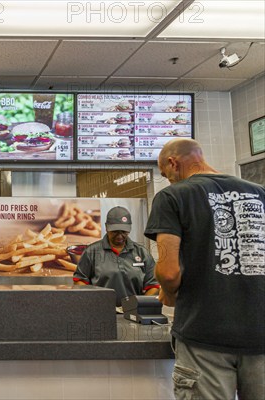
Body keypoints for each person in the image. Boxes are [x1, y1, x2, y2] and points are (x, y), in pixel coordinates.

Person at [144, 138, 264, 400]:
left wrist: (168, 294)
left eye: (166, 174)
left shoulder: (173, 196)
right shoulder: (259, 192)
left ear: (173, 163)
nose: (168, 180)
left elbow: (168, 272)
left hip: (204, 334)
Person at [73, 206, 160, 306]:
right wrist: (93, 302)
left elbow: (153, 285)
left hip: (134, 313)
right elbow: (80, 280)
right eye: (115, 231)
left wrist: (139, 305)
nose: (119, 236)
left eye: (123, 231)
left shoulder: (142, 252)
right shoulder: (91, 252)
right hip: (100, 311)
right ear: (106, 227)